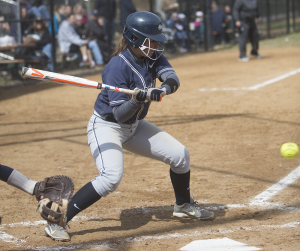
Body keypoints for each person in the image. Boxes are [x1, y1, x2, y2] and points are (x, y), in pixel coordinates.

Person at [43, 11, 214, 242]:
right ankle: (57, 219)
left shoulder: (152, 56)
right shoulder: (117, 67)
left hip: (135, 126)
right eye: (150, 40)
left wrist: (161, 90)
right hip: (107, 126)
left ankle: (183, 204)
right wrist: (137, 99)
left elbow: (172, 79)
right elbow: (120, 115)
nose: (155, 45)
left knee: (180, 155)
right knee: (110, 177)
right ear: (135, 39)